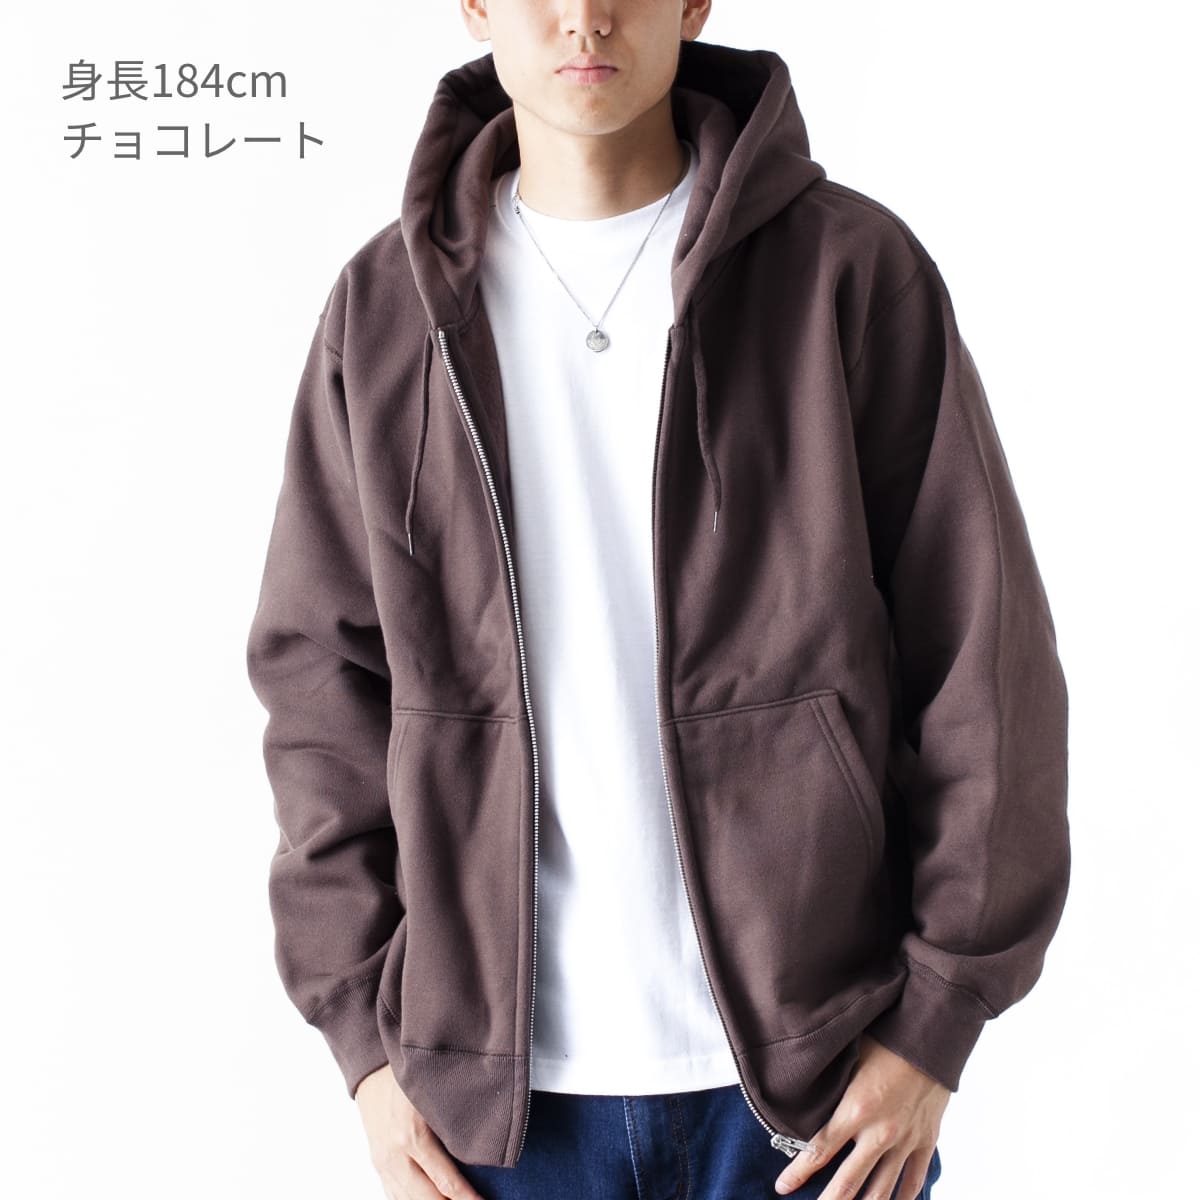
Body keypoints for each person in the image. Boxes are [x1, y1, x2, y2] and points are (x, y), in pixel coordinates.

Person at [245, 2, 1071, 1198]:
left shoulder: (845, 269)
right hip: (497, 1112)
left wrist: (935, 1023)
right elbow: (320, 686)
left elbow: (982, 652)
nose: (585, 18)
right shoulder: (384, 312)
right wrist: (367, 1052)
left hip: (816, 1085)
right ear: (474, 5)